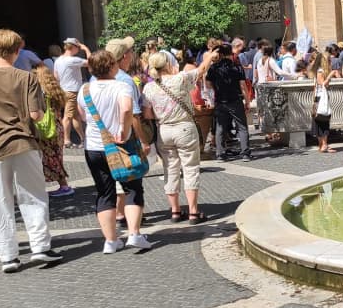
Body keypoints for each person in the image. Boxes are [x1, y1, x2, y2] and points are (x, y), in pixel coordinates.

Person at [0, 29, 63, 272]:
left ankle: (8, 256)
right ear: (18, 50)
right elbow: (35, 114)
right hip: (23, 143)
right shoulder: (26, 77)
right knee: (33, 196)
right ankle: (40, 247)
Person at [77, 49, 152, 253]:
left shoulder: (84, 89)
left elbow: (83, 117)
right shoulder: (121, 86)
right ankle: (134, 234)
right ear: (112, 66)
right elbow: (127, 109)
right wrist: (123, 129)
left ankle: (110, 241)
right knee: (132, 187)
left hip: (94, 146)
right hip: (121, 145)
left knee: (104, 192)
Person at [143, 49, 216, 223]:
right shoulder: (180, 79)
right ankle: (193, 212)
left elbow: (147, 115)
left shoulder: (149, 87)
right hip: (184, 127)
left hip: (164, 130)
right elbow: (201, 70)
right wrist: (210, 57)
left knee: (170, 169)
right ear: (168, 64)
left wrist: (163, 114)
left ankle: (175, 211)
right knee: (190, 169)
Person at [99, 37, 154, 225]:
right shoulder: (125, 81)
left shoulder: (92, 81)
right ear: (124, 56)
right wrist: (143, 141)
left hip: (99, 140)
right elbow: (134, 115)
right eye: (130, 52)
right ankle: (132, 224)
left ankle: (118, 219)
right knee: (132, 182)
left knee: (108, 186)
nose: (132, 55)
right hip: (124, 137)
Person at [32, 64, 74, 197]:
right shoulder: (56, 91)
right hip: (57, 127)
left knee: (49, 158)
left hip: (46, 129)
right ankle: (63, 185)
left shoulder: (41, 94)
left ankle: (64, 185)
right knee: (57, 156)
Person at [207, 43, 252, 161]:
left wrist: (217, 88)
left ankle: (220, 154)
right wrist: (247, 101)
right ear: (231, 54)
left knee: (220, 127)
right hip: (235, 100)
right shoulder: (237, 67)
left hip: (220, 100)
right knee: (242, 126)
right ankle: (245, 153)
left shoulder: (214, 68)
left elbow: (208, 84)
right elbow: (243, 86)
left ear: (220, 54)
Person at [54, 38, 91, 148]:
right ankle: (66, 140)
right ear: (73, 47)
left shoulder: (58, 60)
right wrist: (86, 49)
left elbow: (56, 77)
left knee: (75, 116)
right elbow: (92, 62)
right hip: (73, 91)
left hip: (64, 90)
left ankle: (83, 138)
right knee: (68, 116)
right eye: (78, 47)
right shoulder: (73, 60)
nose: (79, 49)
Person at [308, 52, 335, 153]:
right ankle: (323, 145)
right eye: (328, 60)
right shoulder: (320, 71)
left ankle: (322, 145)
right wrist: (330, 76)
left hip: (318, 97)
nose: (329, 62)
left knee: (321, 120)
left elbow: (316, 86)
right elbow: (321, 84)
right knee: (322, 120)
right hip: (320, 98)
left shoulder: (319, 70)